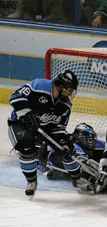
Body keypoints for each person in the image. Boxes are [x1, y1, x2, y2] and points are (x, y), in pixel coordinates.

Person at [7, 69, 84, 197]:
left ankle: (77, 178)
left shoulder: (65, 106)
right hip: (21, 123)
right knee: (26, 146)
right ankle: (31, 181)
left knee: (68, 148)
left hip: (45, 130)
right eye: (69, 90)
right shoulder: (39, 86)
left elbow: (59, 127)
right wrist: (27, 114)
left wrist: (63, 141)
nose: (70, 94)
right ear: (60, 86)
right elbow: (15, 97)